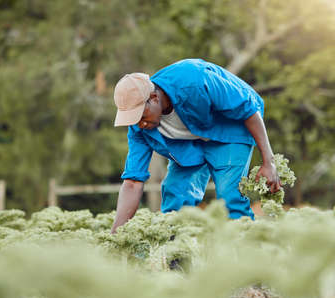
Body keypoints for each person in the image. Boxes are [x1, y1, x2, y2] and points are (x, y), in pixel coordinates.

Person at [110, 58, 281, 233]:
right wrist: (116, 233)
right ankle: (178, 255)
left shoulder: (193, 80)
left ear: (153, 98)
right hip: (188, 146)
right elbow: (132, 182)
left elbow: (248, 109)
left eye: (141, 116)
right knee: (175, 196)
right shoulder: (138, 128)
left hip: (229, 131)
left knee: (230, 199)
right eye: (133, 118)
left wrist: (269, 162)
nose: (139, 124)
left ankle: (245, 255)